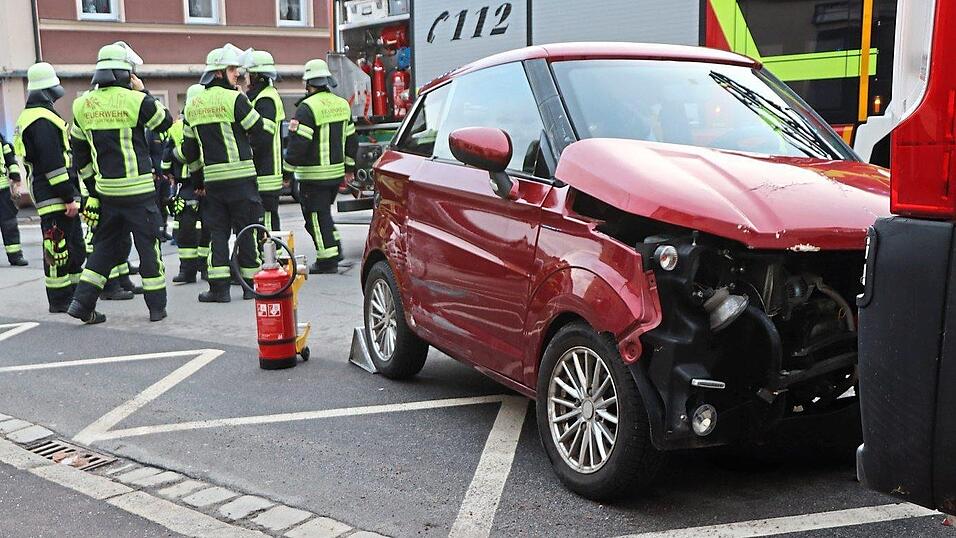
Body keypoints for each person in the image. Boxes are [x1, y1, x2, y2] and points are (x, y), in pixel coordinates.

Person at [67, 42, 173, 324]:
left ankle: (81, 302)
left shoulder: (81, 104)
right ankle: (156, 309)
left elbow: (79, 153)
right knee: (149, 247)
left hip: (106, 192)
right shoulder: (136, 101)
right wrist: (144, 91)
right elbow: (165, 122)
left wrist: (92, 189)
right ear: (127, 74)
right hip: (139, 191)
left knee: (103, 249)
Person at [182, 44, 270, 302]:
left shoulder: (193, 105)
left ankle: (218, 289)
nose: (237, 74)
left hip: (213, 181)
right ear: (219, 72)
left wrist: (198, 180)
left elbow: (189, 149)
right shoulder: (235, 99)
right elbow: (260, 130)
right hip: (241, 178)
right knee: (247, 230)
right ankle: (250, 285)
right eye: (232, 69)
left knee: (217, 233)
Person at [12, 62, 85, 312]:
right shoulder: (41, 120)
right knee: (57, 249)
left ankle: (73, 294)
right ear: (45, 91)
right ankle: (60, 299)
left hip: (53, 192)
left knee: (73, 248)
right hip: (54, 195)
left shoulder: (35, 116)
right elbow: (53, 164)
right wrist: (68, 197)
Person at [285, 59, 357, 274]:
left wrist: (287, 171)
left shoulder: (307, 108)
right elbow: (351, 140)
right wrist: (349, 168)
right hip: (335, 175)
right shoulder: (342, 104)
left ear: (308, 83)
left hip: (313, 176)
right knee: (324, 214)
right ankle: (334, 249)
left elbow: (299, 145)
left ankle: (327, 260)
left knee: (315, 217)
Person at [164, 83, 209, 284]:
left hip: (193, 184)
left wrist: (173, 162)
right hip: (198, 184)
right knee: (195, 227)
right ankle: (196, 269)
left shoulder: (178, 127)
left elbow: (168, 157)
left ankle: (192, 270)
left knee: (191, 228)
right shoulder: (206, 124)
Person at [246, 50, 285, 232]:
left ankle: (271, 253)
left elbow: (263, 135)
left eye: (248, 75)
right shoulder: (262, 96)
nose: (246, 79)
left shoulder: (266, 98)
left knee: (267, 216)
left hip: (266, 170)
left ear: (256, 76)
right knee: (261, 215)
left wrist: (248, 152)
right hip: (264, 169)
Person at [0, 131, 27, 266]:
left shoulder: (1, 140)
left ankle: (15, 256)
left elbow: (10, 160)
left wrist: (16, 179)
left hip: (3, 190)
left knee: (9, 223)